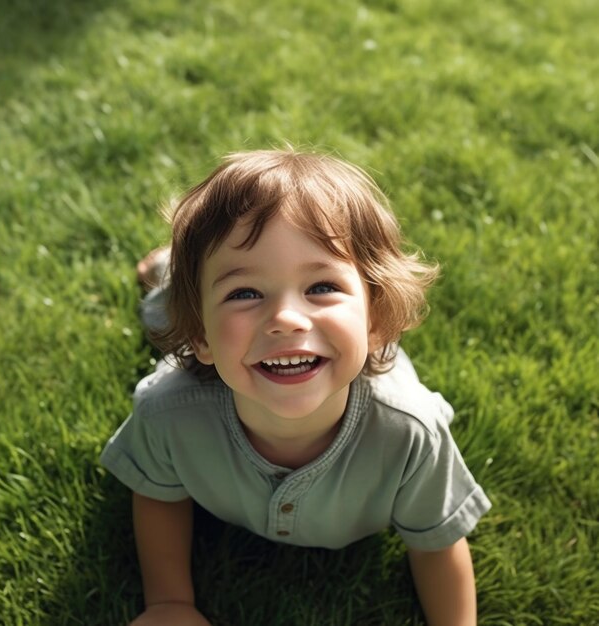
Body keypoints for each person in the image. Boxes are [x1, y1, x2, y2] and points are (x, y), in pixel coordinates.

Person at [101, 148, 492, 626]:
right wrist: (169, 602)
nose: (286, 318)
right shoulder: (167, 411)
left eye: (321, 287)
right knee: (164, 309)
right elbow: (158, 494)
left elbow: (437, 544)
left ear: (377, 319)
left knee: (190, 293)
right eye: (245, 292)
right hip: (191, 322)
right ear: (201, 337)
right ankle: (171, 273)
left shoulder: (410, 432)